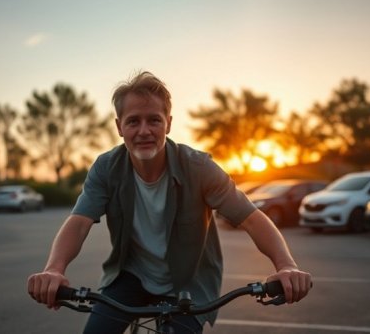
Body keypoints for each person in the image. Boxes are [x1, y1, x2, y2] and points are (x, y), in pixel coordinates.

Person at [27, 71, 312, 333]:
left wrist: (286, 265)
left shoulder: (199, 168)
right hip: (130, 277)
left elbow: (251, 218)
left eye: (154, 120)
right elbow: (78, 222)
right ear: (119, 127)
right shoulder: (106, 168)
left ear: (169, 123)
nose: (144, 130)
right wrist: (54, 269)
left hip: (188, 283)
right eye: (133, 121)